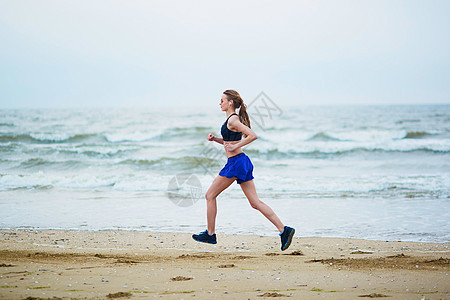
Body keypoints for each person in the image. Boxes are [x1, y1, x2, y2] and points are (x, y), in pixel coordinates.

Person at [192, 89, 295, 251]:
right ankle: (284, 230)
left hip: (236, 164)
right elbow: (229, 143)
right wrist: (216, 140)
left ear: (230, 102)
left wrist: (236, 145)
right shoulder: (231, 119)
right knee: (255, 203)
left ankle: (210, 234)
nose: (220, 103)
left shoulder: (233, 120)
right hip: (241, 162)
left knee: (209, 195)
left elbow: (252, 135)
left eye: (222, 100)